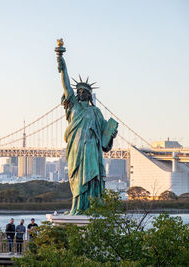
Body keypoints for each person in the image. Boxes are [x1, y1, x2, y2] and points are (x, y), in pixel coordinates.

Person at [56, 42, 118, 215]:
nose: (81, 93)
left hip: (91, 148)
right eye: (79, 91)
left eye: (84, 91)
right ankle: (77, 207)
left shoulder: (95, 111)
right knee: (77, 179)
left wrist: (111, 134)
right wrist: (61, 62)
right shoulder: (73, 106)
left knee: (92, 177)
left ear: (89, 95)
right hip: (76, 149)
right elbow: (66, 85)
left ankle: (92, 206)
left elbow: (104, 139)